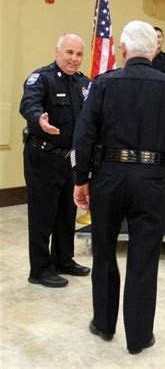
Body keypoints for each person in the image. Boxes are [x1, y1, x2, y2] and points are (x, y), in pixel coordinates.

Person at [72, 20, 165, 355]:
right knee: (144, 258)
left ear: (123, 49)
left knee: (104, 251)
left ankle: (103, 324)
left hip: (108, 178)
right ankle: (139, 337)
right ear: (155, 50)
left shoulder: (102, 84)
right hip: (150, 180)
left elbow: (83, 136)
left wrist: (81, 179)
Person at [19, 33, 91, 288]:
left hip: (70, 159)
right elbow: (29, 104)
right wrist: (39, 119)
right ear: (57, 51)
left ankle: (63, 259)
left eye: (79, 54)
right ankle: (39, 269)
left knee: (66, 212)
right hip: (43, 156)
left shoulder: (84, 83)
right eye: (69, 52)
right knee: (42, 214)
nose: (74, 58)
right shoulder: (42, 78)